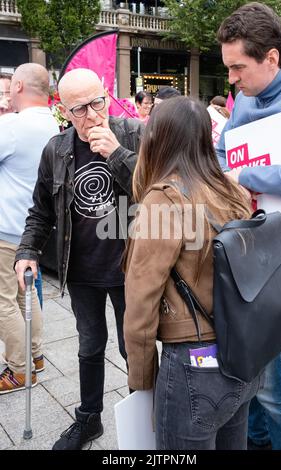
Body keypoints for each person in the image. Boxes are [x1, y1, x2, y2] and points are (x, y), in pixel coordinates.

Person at [14, 68, 144, 450]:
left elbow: (160, 189)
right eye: (80, 109)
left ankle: (144, 421)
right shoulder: (57, 149)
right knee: (89, 346)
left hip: (131, 268)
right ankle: (88, 420)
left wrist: (116, 154)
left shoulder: (135, 133)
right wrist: (27, 251)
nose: (92, 115)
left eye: (97, 102)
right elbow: (40, 210)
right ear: (64, 112)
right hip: (83, 269)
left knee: (132, 348)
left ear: (107, 95)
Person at [124, 96, 262, 450]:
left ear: (156, 137)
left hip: (194, 364)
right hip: (244, 352)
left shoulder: (164, 201)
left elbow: (141, 300)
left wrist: (141, 379)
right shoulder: (232, 189)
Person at [216, 2, 281, 450]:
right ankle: (258, 441)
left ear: (271, 58)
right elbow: (224, 155)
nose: (231, 78)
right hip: (251, 252)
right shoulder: (243, 100)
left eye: (238, 67)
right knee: (256, 365)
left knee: (266, 371)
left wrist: (245, 175)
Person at [0, 63, 59, 394]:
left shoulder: (12, 125)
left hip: (7, 229)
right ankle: (34, 356)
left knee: (3, 301)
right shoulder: (53, 124)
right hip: (34, 232)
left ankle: (19, 369)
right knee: (27, 296)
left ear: (18, 86)